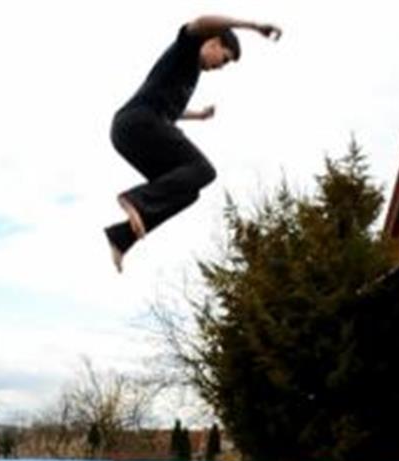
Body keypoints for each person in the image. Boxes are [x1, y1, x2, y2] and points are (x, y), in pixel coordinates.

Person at [104, 15, 282, 272]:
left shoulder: (188, 74)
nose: (221, 67)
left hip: (134, 132)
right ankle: (135, 198)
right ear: (213, 42)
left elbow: (170, 109)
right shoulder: (186, 50)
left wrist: (198, 115)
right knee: (203, 170)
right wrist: (253, 27)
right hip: (137, 124)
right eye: (225, 59)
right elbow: (200, 21)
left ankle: (121, 238)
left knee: (187, 191)